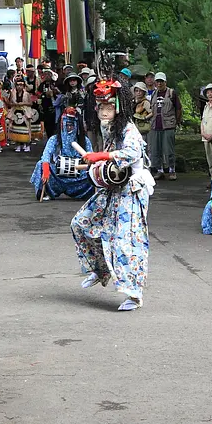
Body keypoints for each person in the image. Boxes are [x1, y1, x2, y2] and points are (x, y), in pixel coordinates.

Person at [72, 79, 153, 310]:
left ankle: (134, 294)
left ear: (118, 106)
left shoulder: (129, 128)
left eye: (108, 107)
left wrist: (102, 157)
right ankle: (100, 269)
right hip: (112, 189)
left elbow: (132, 152)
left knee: (124, 242)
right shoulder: (109, 128)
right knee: (80, 223)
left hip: (131, 191)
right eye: (100, 107)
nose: (103, 111)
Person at [31, 99, 94, 200]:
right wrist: (46, 168)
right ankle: (46, 192)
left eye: (72, 125)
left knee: (94, 170)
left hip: (78, 174)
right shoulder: (54, 139)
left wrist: (89, 162)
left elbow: (91, 157)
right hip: (58, 173)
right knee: (40, 165)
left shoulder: (84, 140)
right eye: (67, 125)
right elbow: (46, 154)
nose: (69, 128)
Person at [147, 72, 180, 180]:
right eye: (157, 81)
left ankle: (172, 170)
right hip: (155, 125)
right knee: (156, 149)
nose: (159, 83)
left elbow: (178, 108)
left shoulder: (171, 93)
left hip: (168, 125)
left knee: (169, 150)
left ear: (165, 82)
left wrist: (177, 121)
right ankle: (159, 170)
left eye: (161, 81)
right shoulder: (153, 94)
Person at [7, 76, 35, 153]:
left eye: (21, 85)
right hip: (16, 112)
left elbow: (30, 103)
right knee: (16, 129)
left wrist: (24, 103)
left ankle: (27, 145)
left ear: (23, 86)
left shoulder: (27, 94)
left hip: (24, 112)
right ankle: (18, 144)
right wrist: (14, 103)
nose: (19, 87)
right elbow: (10, 103)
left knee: (26, 129)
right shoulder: (13, 93)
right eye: (18, 85)